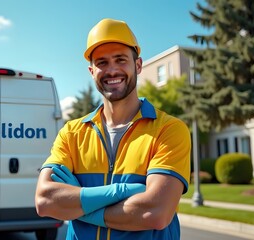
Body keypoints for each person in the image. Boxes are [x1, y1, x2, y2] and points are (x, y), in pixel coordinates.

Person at [35, 18, 191, 240]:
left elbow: (155, 212)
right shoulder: (72, 133)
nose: (112, 70)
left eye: (120, 60)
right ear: (91, 71)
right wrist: (123, 193)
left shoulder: (168, 130)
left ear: (138, 65)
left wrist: (81, 204)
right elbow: (44, 201)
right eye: (102, 62)